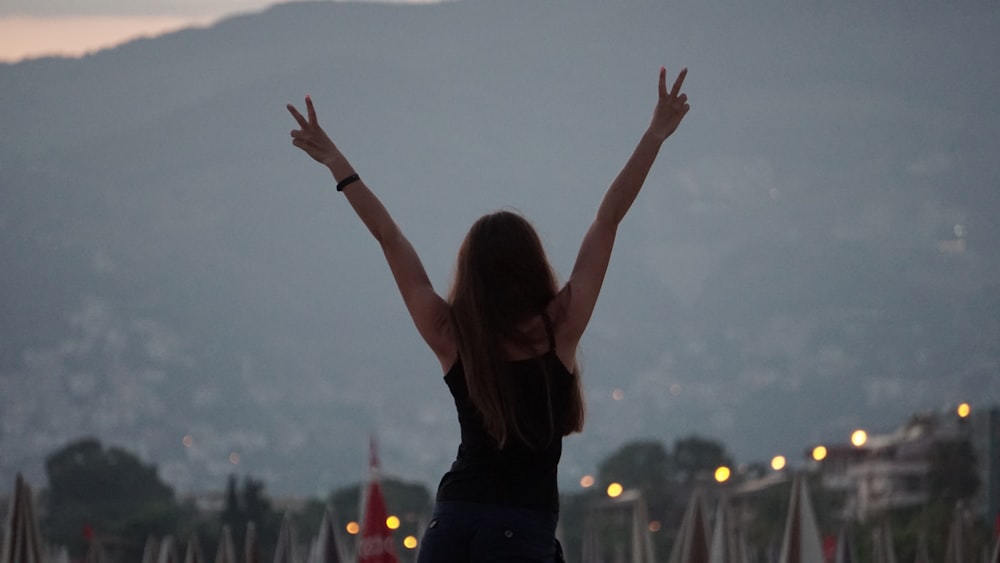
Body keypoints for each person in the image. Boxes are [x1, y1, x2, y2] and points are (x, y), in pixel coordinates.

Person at [287, 66, 690, 563]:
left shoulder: (450, 334)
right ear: (532, 264)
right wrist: (654, 135)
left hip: (451, 522)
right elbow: (607, 220)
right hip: (520, 529)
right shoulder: (558, 327)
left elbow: (389, 238)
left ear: (470, 273)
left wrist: (336, 163)